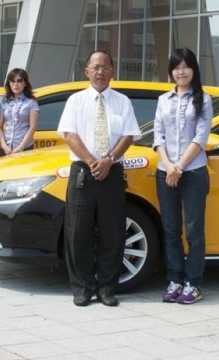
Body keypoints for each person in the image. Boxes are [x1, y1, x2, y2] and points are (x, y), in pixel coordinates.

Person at [57, 50, 141, 307]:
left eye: (105, 67)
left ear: (113, 71)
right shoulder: (76, 101)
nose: (100, 71)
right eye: (96, 67)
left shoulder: (123, 102)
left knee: (112, 233)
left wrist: (109, 160)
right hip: (83, 171)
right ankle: (82, 288)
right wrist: (93, 162)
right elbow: (69, 134)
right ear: (87, 71)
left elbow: (128, 135)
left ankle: (106, 288)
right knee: (78, 233)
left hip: (112, 171)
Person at [153, 48, 214, 305]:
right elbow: (158, 137)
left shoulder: (204, 99)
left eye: (186, 66)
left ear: (193, 70)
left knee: (194, 231)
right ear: (171, 71)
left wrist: (179, 167)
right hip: (165, 172)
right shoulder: (163, 100)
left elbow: (201, 138)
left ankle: (193, 283)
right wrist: (168, 166)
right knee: (170, 230)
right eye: (176, 67)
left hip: (193, 173)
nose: (181, 72)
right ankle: (174, 280)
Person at [0, 69, 39, 156]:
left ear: (25, 83)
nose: (16, 84)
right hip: (6, 149)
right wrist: (3, 145)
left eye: (19, 81)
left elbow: (33, 127)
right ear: (9, 83)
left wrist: (20, 148)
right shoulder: (5, 102)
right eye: (12, 81)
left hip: (25, 148)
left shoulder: (31, 102)